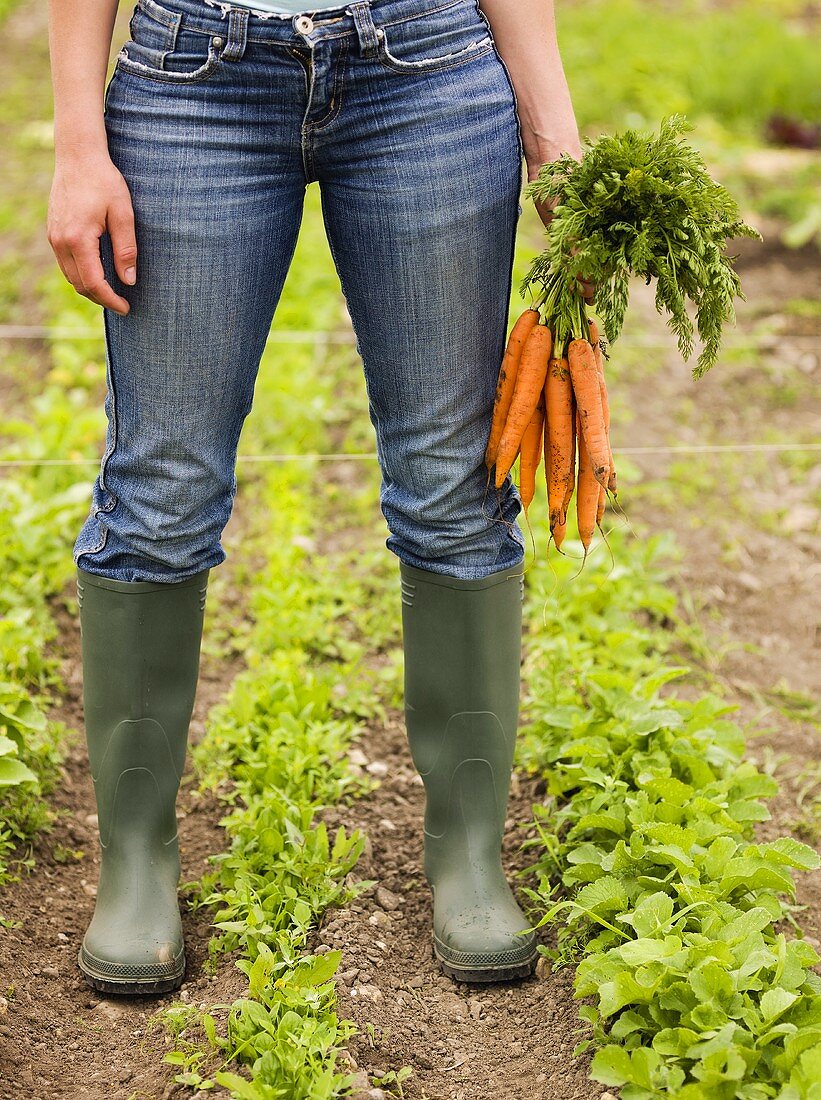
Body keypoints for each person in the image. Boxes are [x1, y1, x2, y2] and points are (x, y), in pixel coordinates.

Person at [46, 0, 585, 994]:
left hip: (425, 71)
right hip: (190, 81)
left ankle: (468, 856)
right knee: (160, 490)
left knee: (452, 487)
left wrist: (552, 135)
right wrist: (78, 141)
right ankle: (134, 862)